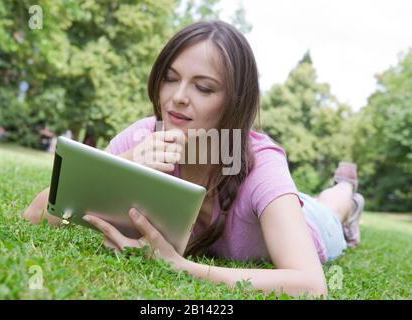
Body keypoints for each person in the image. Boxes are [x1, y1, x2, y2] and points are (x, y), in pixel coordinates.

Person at [23, 20, 365, 298]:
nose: (178, 97)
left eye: (203, 88)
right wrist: (126, 161)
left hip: (312, 224)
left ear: (235, 102)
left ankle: (347, 191)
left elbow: (311, 284)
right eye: (170, 79)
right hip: (279, 206)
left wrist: (179, 266)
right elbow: (37, 212)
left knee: (330, 208)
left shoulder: (262, 164)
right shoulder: (144, 138)